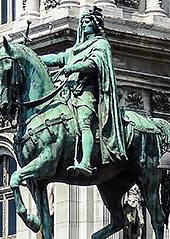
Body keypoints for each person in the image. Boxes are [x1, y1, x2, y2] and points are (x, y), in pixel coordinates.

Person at [41, 6, 127, 176]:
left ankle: (86, 162)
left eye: (88, 22)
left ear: (95, 24)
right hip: (67, 94)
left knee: (83, 122)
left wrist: (71, 68)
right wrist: (33, 57)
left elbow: (94, 64)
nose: (85, 25)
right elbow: (57, 58)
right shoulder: (76, 49)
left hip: (86, 92)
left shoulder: (100, 44)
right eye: (83, 22)